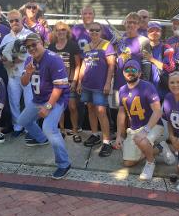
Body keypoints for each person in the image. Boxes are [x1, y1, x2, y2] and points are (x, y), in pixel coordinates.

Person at [18, 33, 71, 179]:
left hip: (56, 98)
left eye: (34, 44)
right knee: (22, 121)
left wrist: (48, 107)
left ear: (42, 42)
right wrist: (27, 74)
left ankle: (64, 163)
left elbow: (59, 88)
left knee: (49, 128)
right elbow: (23, 83)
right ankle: (41, 139)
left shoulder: (54, 59)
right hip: (38, 98)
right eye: (28, 46)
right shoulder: (29, 59)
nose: (31, 48)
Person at [114, 60, 171, 180]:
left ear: (139, 73)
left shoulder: (147, 86)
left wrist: (146, 130)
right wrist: (119, 135)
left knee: (143, 141)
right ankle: (159, 148)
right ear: (123, 73)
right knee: (128, 163)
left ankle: (150, 163)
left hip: (153, 125)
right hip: (134, 128)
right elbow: (121, 113)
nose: (130, 72)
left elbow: (157, 111)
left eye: (133, 70)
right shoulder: (122, 90)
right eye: (127, 70)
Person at [77, 22, 115, 157]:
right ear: (88, 32)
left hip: (100, 86)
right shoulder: (87, 46)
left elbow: (111, 66)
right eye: (91, 30)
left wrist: (107, 83)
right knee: (90, 109)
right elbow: (83, 65)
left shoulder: (106, 45)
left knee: (101, 112)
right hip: (87, 85)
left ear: (101, 31)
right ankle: (94, 134)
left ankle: (106, 142)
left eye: (97, 30)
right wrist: (80, 82)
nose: (94, 32)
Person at [0, 9, 33, 137]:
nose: (14, 23)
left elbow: (31, 54)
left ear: (22, 19)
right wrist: (4, 60)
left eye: (16, 20)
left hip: (27, 75)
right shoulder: (6, 37)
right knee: (14, 102)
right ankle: (17, 127)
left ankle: (30, 129)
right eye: (11, 21)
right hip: (12, 75)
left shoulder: (29, 34)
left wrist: (12, 59)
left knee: (29, 103)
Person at [48, 21, 82, 142]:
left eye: (63, 30)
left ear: (67, 32)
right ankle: (61, 130)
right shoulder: (51, 47)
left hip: (69, 81)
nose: (60, 32)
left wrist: (74, 81)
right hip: (56, 83)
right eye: (58, 30)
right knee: (59, 108)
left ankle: (75, 131)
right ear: (55, 33)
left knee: (72, 107)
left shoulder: (73, 45)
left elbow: (78, 65)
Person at [142, 21, 175, 100]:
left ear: (160, 32)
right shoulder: (141, 47)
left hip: (162, 93)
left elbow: (170, 68)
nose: (154, 32)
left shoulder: (167, 48)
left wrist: (152, 59)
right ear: (147, 32)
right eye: (151, 30)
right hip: (145, 92)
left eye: (157, 30)